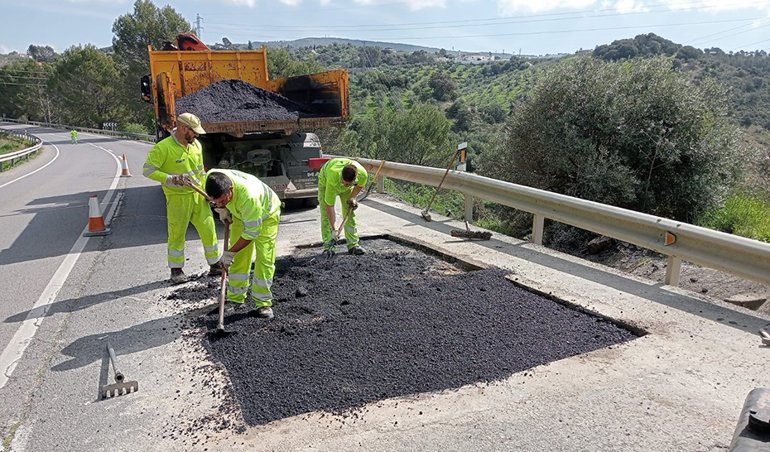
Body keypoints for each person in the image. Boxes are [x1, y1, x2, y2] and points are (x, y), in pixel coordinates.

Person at [143, 113, 221, 284]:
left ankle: (215, 264)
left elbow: (200, 172)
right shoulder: (163, 148)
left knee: (209, 229)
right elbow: (148, 171)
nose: (197, 135)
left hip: (198, 196)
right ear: (184, 129)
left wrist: (207, 191)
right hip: (177, 199)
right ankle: (176, 270)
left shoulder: (196, 146)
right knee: (177, 234)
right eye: (194, 132)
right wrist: (171, 179)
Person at [205, 169, 281, 319]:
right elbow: (214, 196)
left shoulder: (249, 197)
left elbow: (252, 233)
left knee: (264, 258)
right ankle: (235, 298)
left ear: (231, 190)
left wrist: (229, 252)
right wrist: (222, 208)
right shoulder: (212, 177)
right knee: (239, 257)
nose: (219, 203)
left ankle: (263, 302)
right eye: (216, 201)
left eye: (222, 200)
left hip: (266, 214)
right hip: (240, 214)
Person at [318, 157, 368, 257]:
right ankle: (328, 247)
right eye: (344, 183)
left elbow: (360, 186)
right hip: (325, 182)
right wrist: (334, 229)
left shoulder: (362, 174)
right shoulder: (333, 177)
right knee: (325, 215)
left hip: (345, 186)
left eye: (348, 184)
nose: (345, 185)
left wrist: (352, 197)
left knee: (349, 212)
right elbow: (330, 206)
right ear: (341, 177)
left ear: (355, 179)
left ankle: (353, 245)